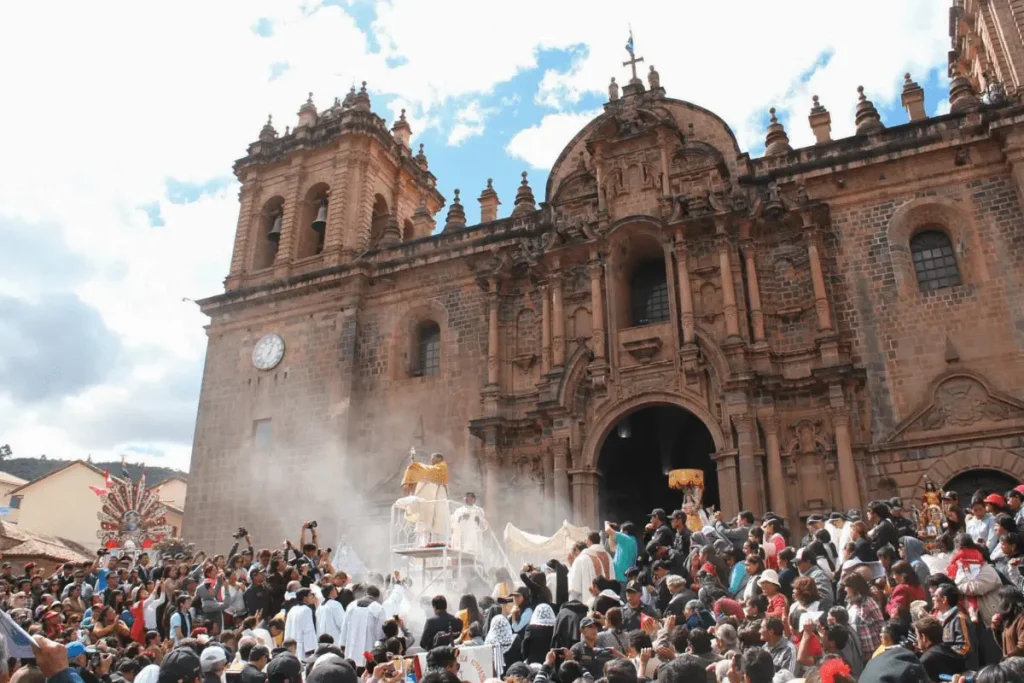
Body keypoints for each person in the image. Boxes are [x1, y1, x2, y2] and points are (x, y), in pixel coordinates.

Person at [400, 451, 450, 545]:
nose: (431, 459)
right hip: (428, 502)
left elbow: (429, 471)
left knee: (436, 524)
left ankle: (434, 543)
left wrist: (415, 467)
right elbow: (426, 473)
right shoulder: (432, 471)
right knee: (423, 528)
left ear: (439, 459)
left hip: (437, 498)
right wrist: (413, 474)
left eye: (433, 457)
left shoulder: (442, 467)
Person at [283, 587, 317, 658]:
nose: (313, 597)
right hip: (302, 647)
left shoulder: (292, 609)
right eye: (311, 595)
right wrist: (310, 649)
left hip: (291, 646)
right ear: (305, 598)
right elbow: (308, 630)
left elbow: (287, 628)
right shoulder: (306, 610)